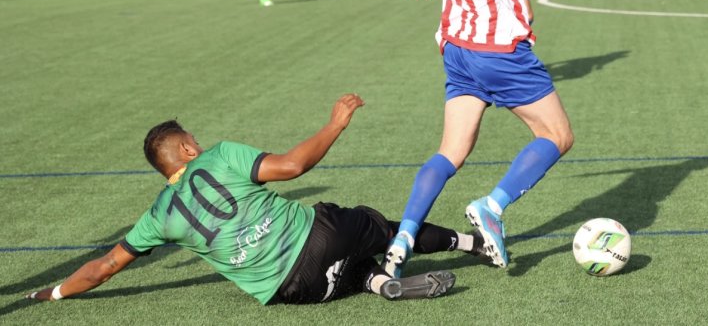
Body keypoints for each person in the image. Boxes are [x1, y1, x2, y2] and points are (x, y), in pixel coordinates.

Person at [24, 94, 492, 306]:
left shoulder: (158, 217)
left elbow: (104, 266)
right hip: (320, 235)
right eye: (194, 139)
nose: (199, 142)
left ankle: (374, 283)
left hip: (290, 291)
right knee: (378, 226)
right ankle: (471, 244)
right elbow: (292, 168)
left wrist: (56, 290)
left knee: (341, 270)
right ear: (187, 149)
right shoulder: (221, 156)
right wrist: (335, 124)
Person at [382, 0, 573, 278]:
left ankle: (403, 240)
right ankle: (491, 206)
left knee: (450, 151)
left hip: (458, 52)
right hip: (497, 51)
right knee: (558, 135)